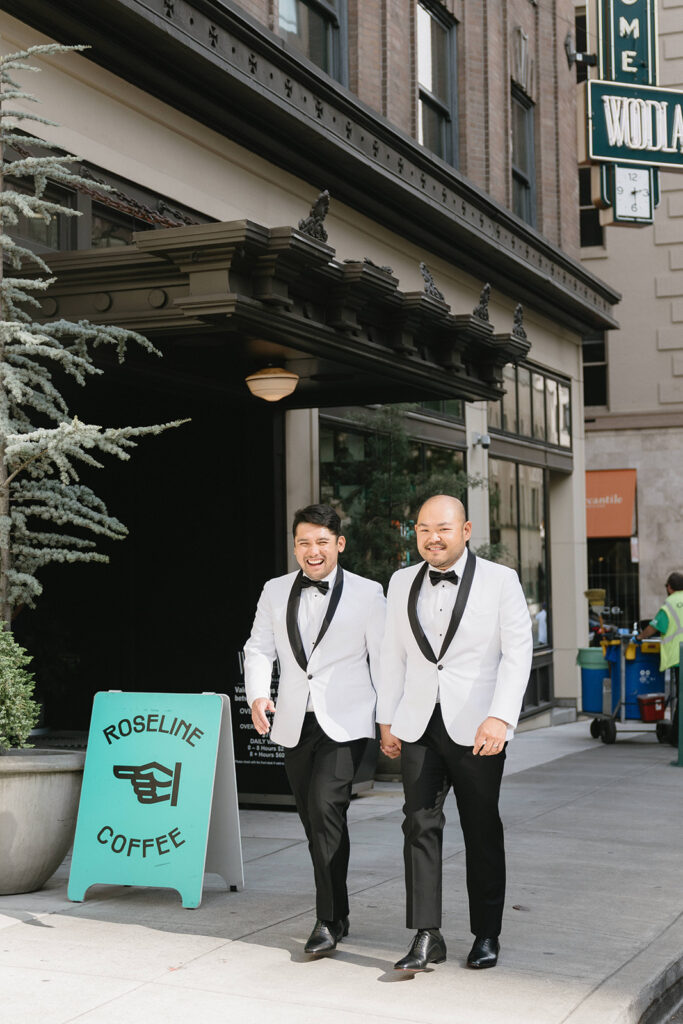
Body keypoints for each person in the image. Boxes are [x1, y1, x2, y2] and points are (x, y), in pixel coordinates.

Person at [377, 495, 533, 972]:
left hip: (478, 727)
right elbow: (392, 655)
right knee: (418, 825)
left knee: (482, 829)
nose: (432, 538)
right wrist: (387, 717)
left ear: (465, 530)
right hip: (418, 724)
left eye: (442, 528)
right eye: (423, 529)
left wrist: (501, 717)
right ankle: (427, 934)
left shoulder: (501, 580)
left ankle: (486, 934)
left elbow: (518, 652)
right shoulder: (401, 581)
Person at [244, 503, 385, 955]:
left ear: (339, 544)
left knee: (325, 812)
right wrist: (258, 694)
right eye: (304, 542)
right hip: (293, 721)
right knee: (316, 822)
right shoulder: (274, 589)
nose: (312, 550)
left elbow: (382, 659)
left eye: (322, 542)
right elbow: (259, 647)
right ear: (295, 546)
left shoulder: (368, 593)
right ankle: (339, 911)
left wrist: (389, 723)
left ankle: (326, 921)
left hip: (345, 722)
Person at [638, 571, 683, 744]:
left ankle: (677, 738)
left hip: (679, 658)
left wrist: (639, 637)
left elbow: (653, 628)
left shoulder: (670, 605)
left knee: (681, 696)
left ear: (670, 587)